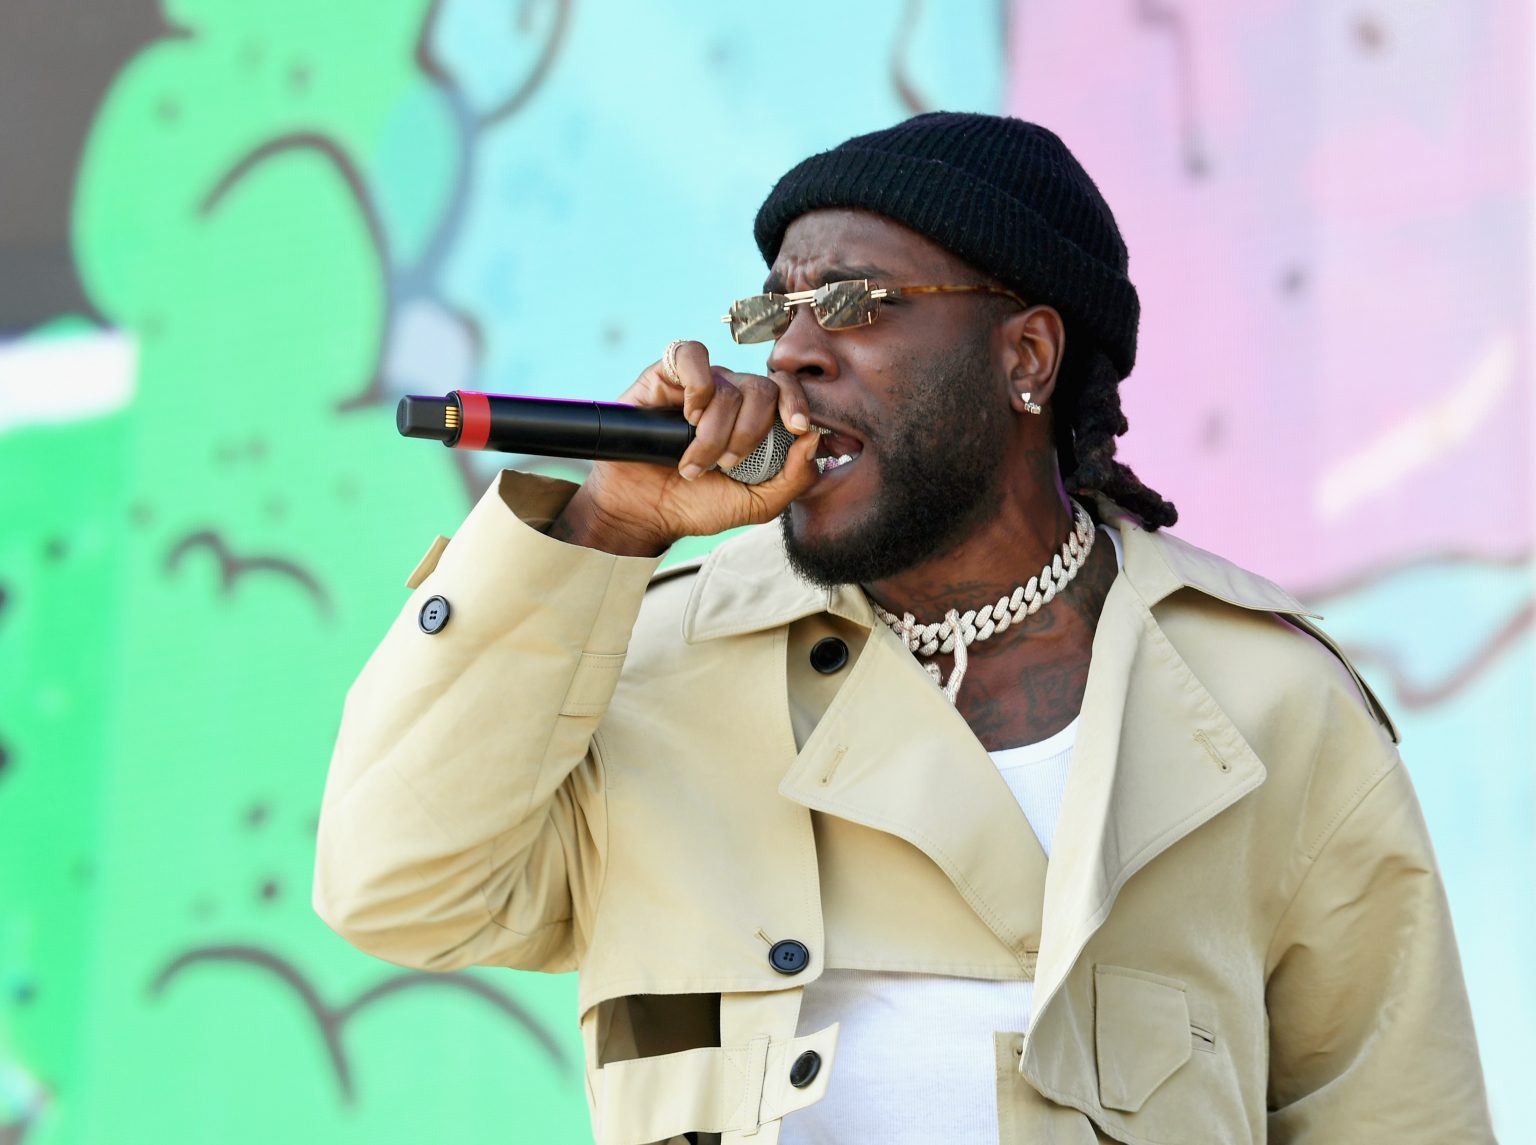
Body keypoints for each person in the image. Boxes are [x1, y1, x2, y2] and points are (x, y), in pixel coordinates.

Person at [313, 113, 1493, 1144]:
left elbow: (1394, 1115)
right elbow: (398, 886)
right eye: (774, 309)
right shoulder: (649, 660)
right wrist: (606, 525)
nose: (791, 351)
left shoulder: (1263, 697)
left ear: (1026, 356)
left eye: (852, 303)